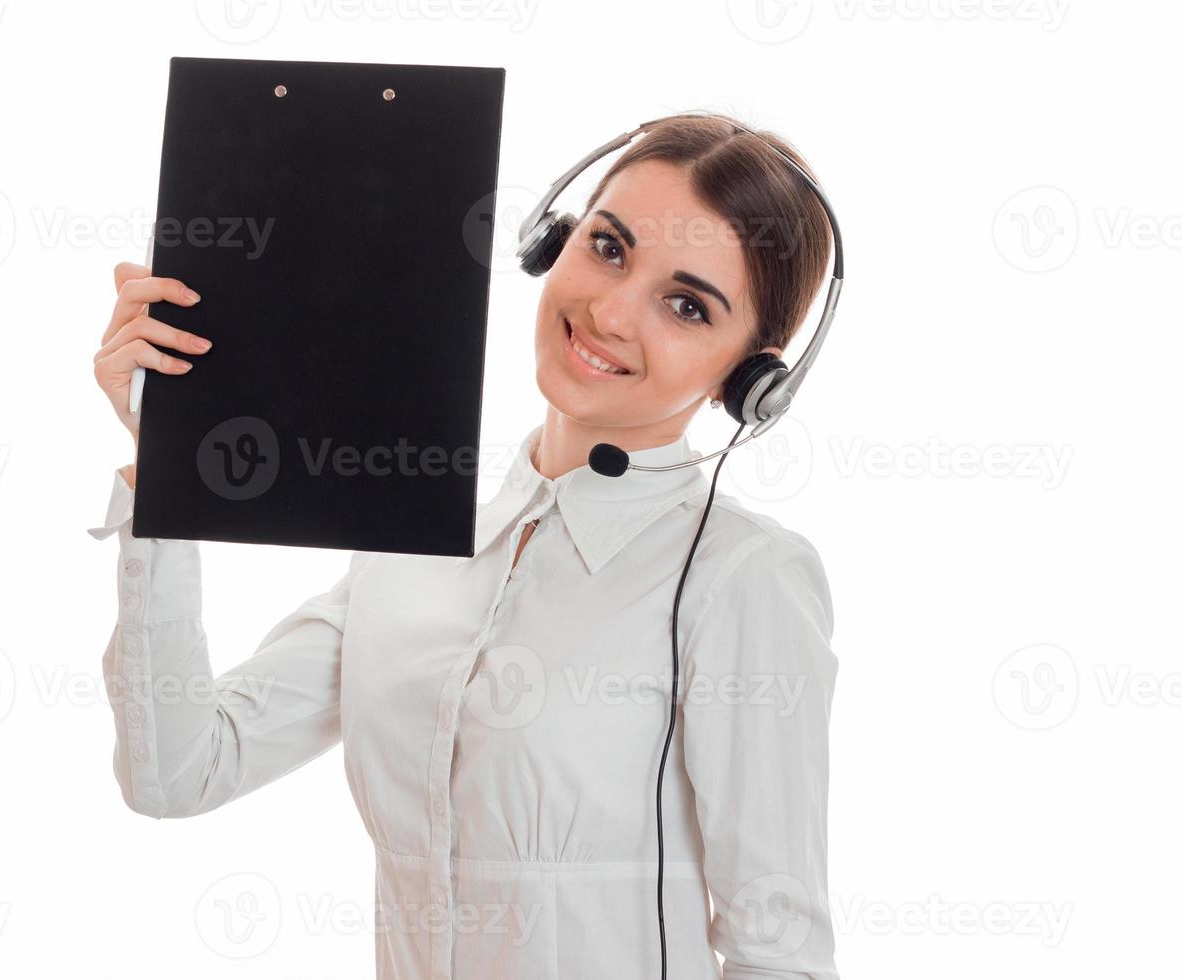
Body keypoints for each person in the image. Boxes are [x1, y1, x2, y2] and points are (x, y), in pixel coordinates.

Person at [88, 111, 841, 980]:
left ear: (750, 381)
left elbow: (779, 950)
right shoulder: (412, 539)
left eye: (685, 305)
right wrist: (167, 458)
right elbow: (177, 773)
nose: (608, 310)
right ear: (548, 243)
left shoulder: (740, 580)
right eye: (606, 248)